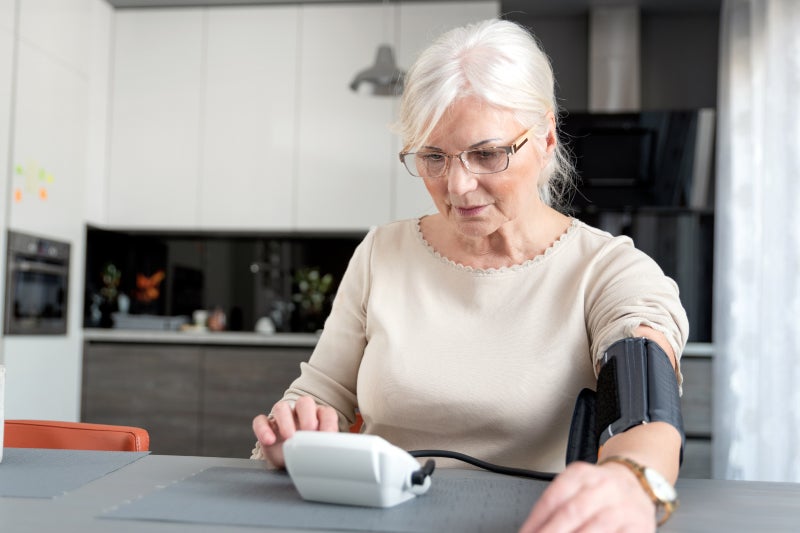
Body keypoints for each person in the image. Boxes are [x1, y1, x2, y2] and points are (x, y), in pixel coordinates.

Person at [252, 18, 688, 532]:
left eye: (487, 153)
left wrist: (632, 480)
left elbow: (643, 408)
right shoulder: (381, 254)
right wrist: (296, 428)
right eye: (434, 157)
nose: (457, 185)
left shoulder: (608, 270)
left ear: (546, 138)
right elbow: (319, 394)